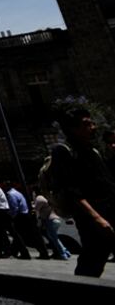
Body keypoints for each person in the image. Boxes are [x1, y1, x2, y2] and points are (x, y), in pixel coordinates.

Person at [47, 105, 115, 277]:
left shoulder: (92, 151)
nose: (93, 127)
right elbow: (71, 190)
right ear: (72, 128)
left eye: (92, 123)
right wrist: (97, 218)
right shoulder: (63, 151)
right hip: (92, 217)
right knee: (93, 260)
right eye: (86, 124)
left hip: (110, 209)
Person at [6, 182, 48, 259]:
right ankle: (15, 251)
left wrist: (11, 217)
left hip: (20, 217)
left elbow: (14, 208)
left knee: (21, 236)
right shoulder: (17, 193)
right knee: (21, 235)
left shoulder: (11, 195)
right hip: (25, 215)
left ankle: (25, 253)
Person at [34, 193, 70, 260]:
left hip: (50, 220)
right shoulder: (49, 198)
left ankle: (63, 254)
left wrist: (38, 222)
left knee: (55, 239)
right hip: (56, 219)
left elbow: (36, 210)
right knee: (55, 238)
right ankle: (65, 252)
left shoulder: (39, 197)